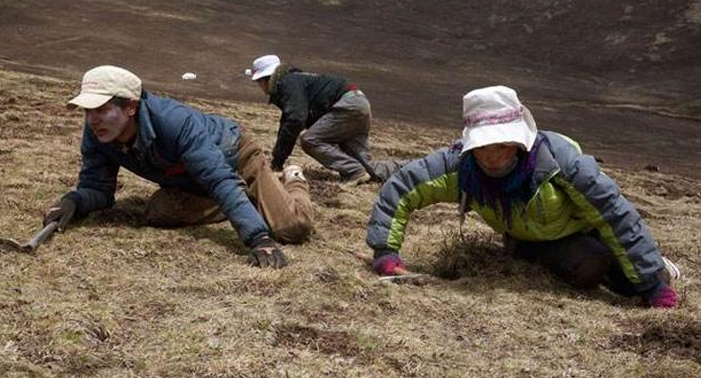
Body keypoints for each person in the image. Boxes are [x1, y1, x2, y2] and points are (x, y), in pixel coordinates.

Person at [365, 85, 681, 308]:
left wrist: (652, 284)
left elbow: (613, 212)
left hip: (581, 229)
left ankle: (654, 269)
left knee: (630, 283)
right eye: (482, 148)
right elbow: (402, 188)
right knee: (591, 265)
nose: (492, 157)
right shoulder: (459, 167)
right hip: (526, 241)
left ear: (518, 143)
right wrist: (385, 252)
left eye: (502, 145)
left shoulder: (559, 162)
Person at [43, 65, 314, 268]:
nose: (92, 119)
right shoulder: (98, 133)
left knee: (291, 228)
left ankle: (292, 180)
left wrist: (258, 239)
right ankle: (244, 201)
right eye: (87, 110)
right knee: (159, 211)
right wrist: (74, 202)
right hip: (190, 179)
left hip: (235, 156)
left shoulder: (175, 122)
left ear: (131, 107)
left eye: (101, 109)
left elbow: (218, 179)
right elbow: (98, 189)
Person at [246, 54, 402, 187]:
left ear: (265, 79)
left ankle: (354, 171)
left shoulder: (287, 83)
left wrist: (277, 164)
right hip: (359, 103)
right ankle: (412, 168)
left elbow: (295, 119)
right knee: (370, 168)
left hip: (346, 106)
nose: (259, 87)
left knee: (310, 140)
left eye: (258, 82)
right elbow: (288, 120)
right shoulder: (298, 80)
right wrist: (277, 163)